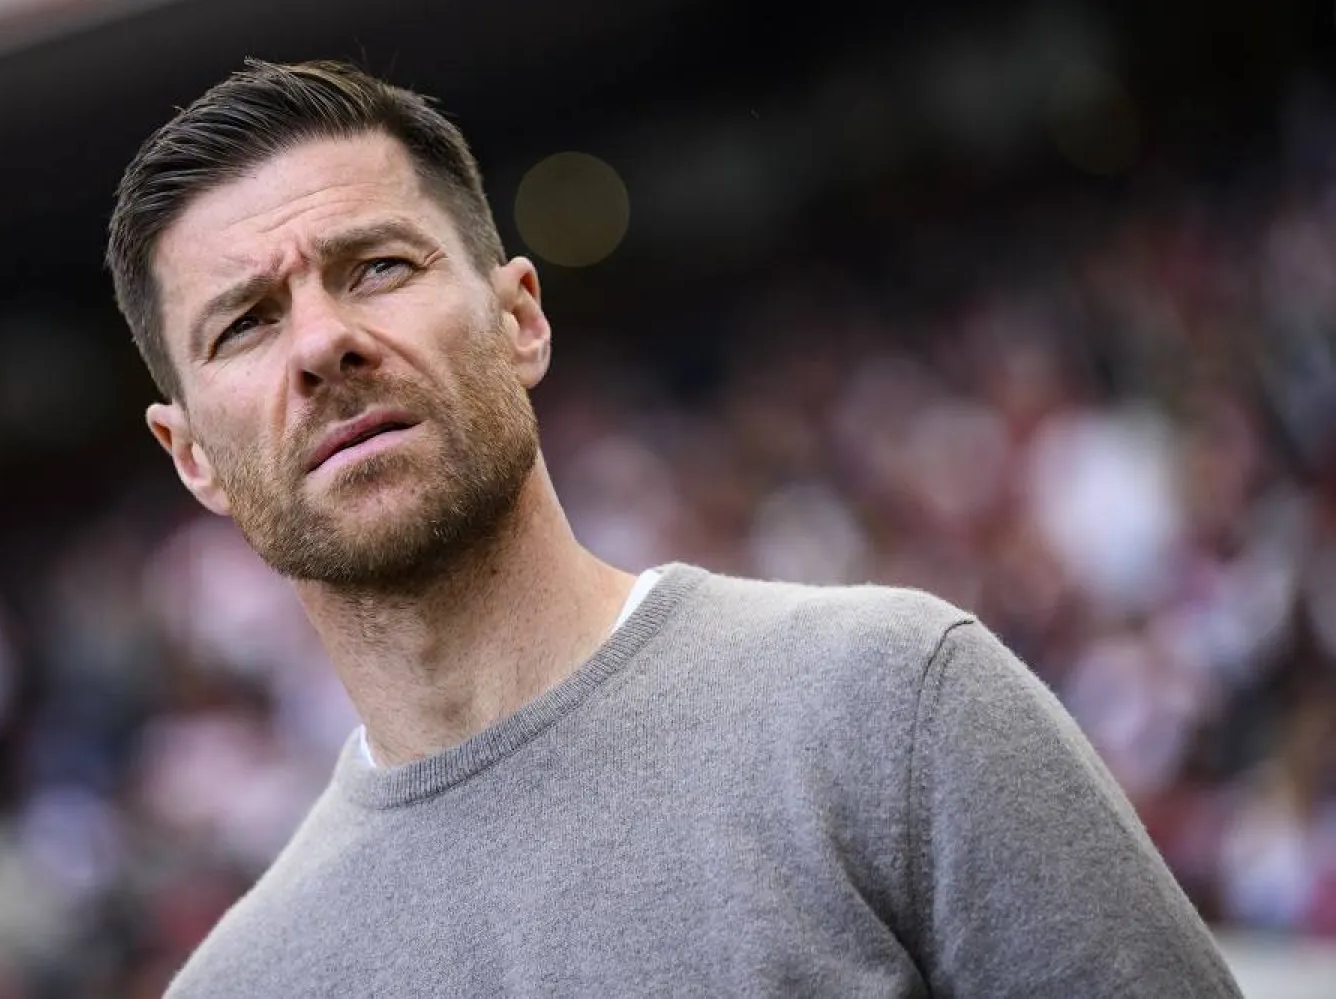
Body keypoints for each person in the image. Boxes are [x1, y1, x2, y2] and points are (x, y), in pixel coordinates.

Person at [106, 58, 1242, 998]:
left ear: (519, 322)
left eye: (379, 267)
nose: (322, 345)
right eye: (246, 325)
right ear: (192, 455)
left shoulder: (891, 703)